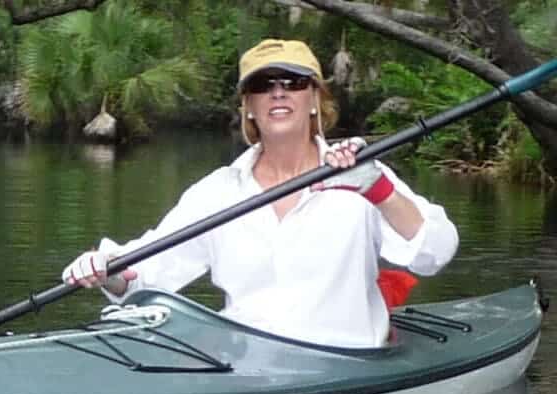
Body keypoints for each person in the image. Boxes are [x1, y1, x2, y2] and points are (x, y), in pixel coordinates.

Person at [61, 38, 459, 348]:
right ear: (248, 105)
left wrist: (379, 190)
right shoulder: (217, 191)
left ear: (316, 99)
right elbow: (144, 274)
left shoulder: (362, 172)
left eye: (295, 82)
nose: (279, 92)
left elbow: (435, 253)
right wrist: (107, 271)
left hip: (349, 368)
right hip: (249, 370)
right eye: (263, 84)